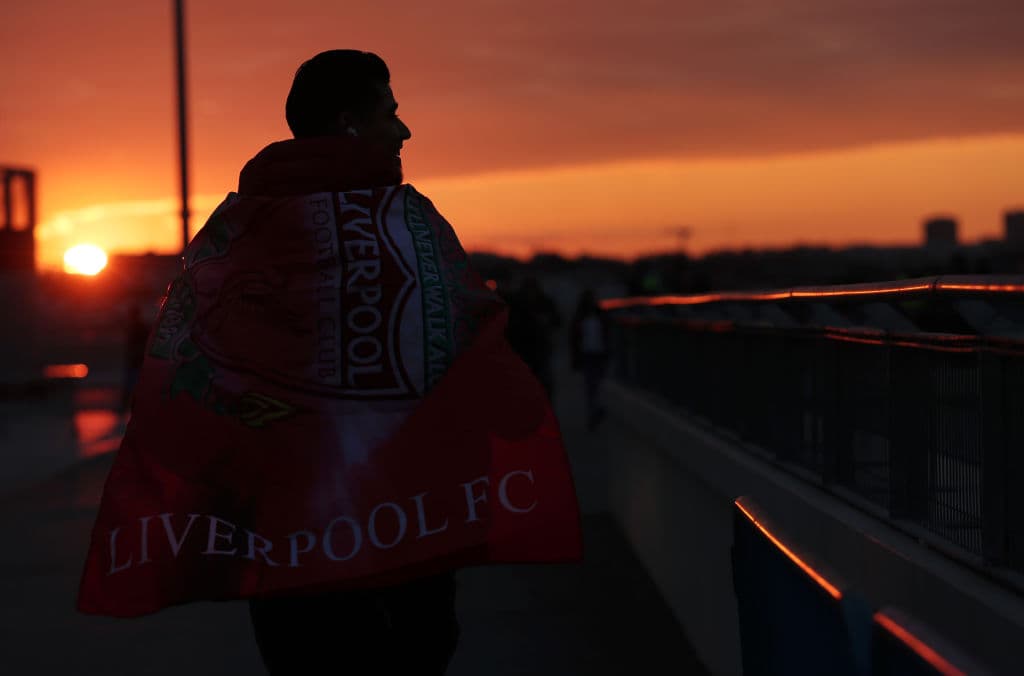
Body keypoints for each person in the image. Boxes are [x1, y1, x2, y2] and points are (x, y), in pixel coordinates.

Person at [77, 49, 582, 676]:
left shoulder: (236, 233)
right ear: (348, 122)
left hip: (285, 548)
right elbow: (474, 348)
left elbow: (189, 374)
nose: (403, 130)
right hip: (403, 538)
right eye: (389, 112)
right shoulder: (405, 225)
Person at [504, 277, 561, 398]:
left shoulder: (544, 303)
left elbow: (557, 321)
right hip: (524, 351)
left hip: (538, 351)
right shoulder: (517, 305)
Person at [570, 288, 611, 430]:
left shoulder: (601, 316)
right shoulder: (580, 317)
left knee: (596, 384)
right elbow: (574, 339)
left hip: (599, 354)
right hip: (587, 354)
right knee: (591, 385)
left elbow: (607, 334)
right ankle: (594, 412)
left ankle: (595, 411)